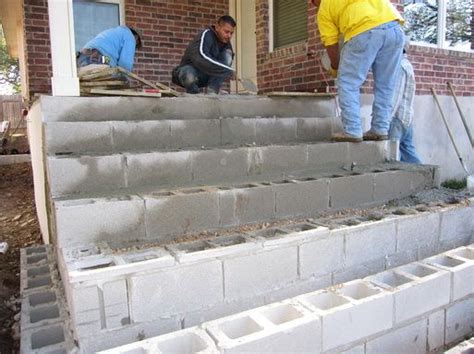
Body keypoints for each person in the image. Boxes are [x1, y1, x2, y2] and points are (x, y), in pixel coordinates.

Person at [311, 0, 405, 143]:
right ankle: (380, 129)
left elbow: (331, 43)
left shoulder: (324, 9)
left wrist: (336, 67)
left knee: (348, 83)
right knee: (386, 84)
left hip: (363, 31)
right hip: (395, 29)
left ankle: (352, 130)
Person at [172, 15, 236, 94]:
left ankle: (212, 91)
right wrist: (226, 70)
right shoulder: (206, 34)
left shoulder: (227, 43)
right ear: (217, 27)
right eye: (226, 32)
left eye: (231, 33)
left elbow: (225, 64)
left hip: (208, 76)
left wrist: (226, 70)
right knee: (188, 73)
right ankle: (194, 94)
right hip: (190, 72)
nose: (229, 36)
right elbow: (201, 57)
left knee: (228, 55)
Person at [388, 45, 422, 164]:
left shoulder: (399, 67)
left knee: (392, 157)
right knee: (409, 154)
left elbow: (395, 97)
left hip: (396, 119)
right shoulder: (407, 64)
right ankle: (426, 178)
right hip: (407, 118)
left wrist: (386, 119)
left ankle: (396, 181)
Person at [77, 26, 142, 73]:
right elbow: (125, 64)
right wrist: (125, 79)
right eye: (135, 44)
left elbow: (112, 62)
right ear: (136, 37)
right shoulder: (130, 37)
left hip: (83, 55)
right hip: (100, 57)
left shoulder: (114, 32)